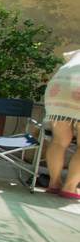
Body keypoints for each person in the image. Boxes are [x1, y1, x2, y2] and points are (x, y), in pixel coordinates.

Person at [42, 49, 80, 198]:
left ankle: (54, 184)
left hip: (59, 87)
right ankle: (70, 187)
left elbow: (67, 56)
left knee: (59, 141)